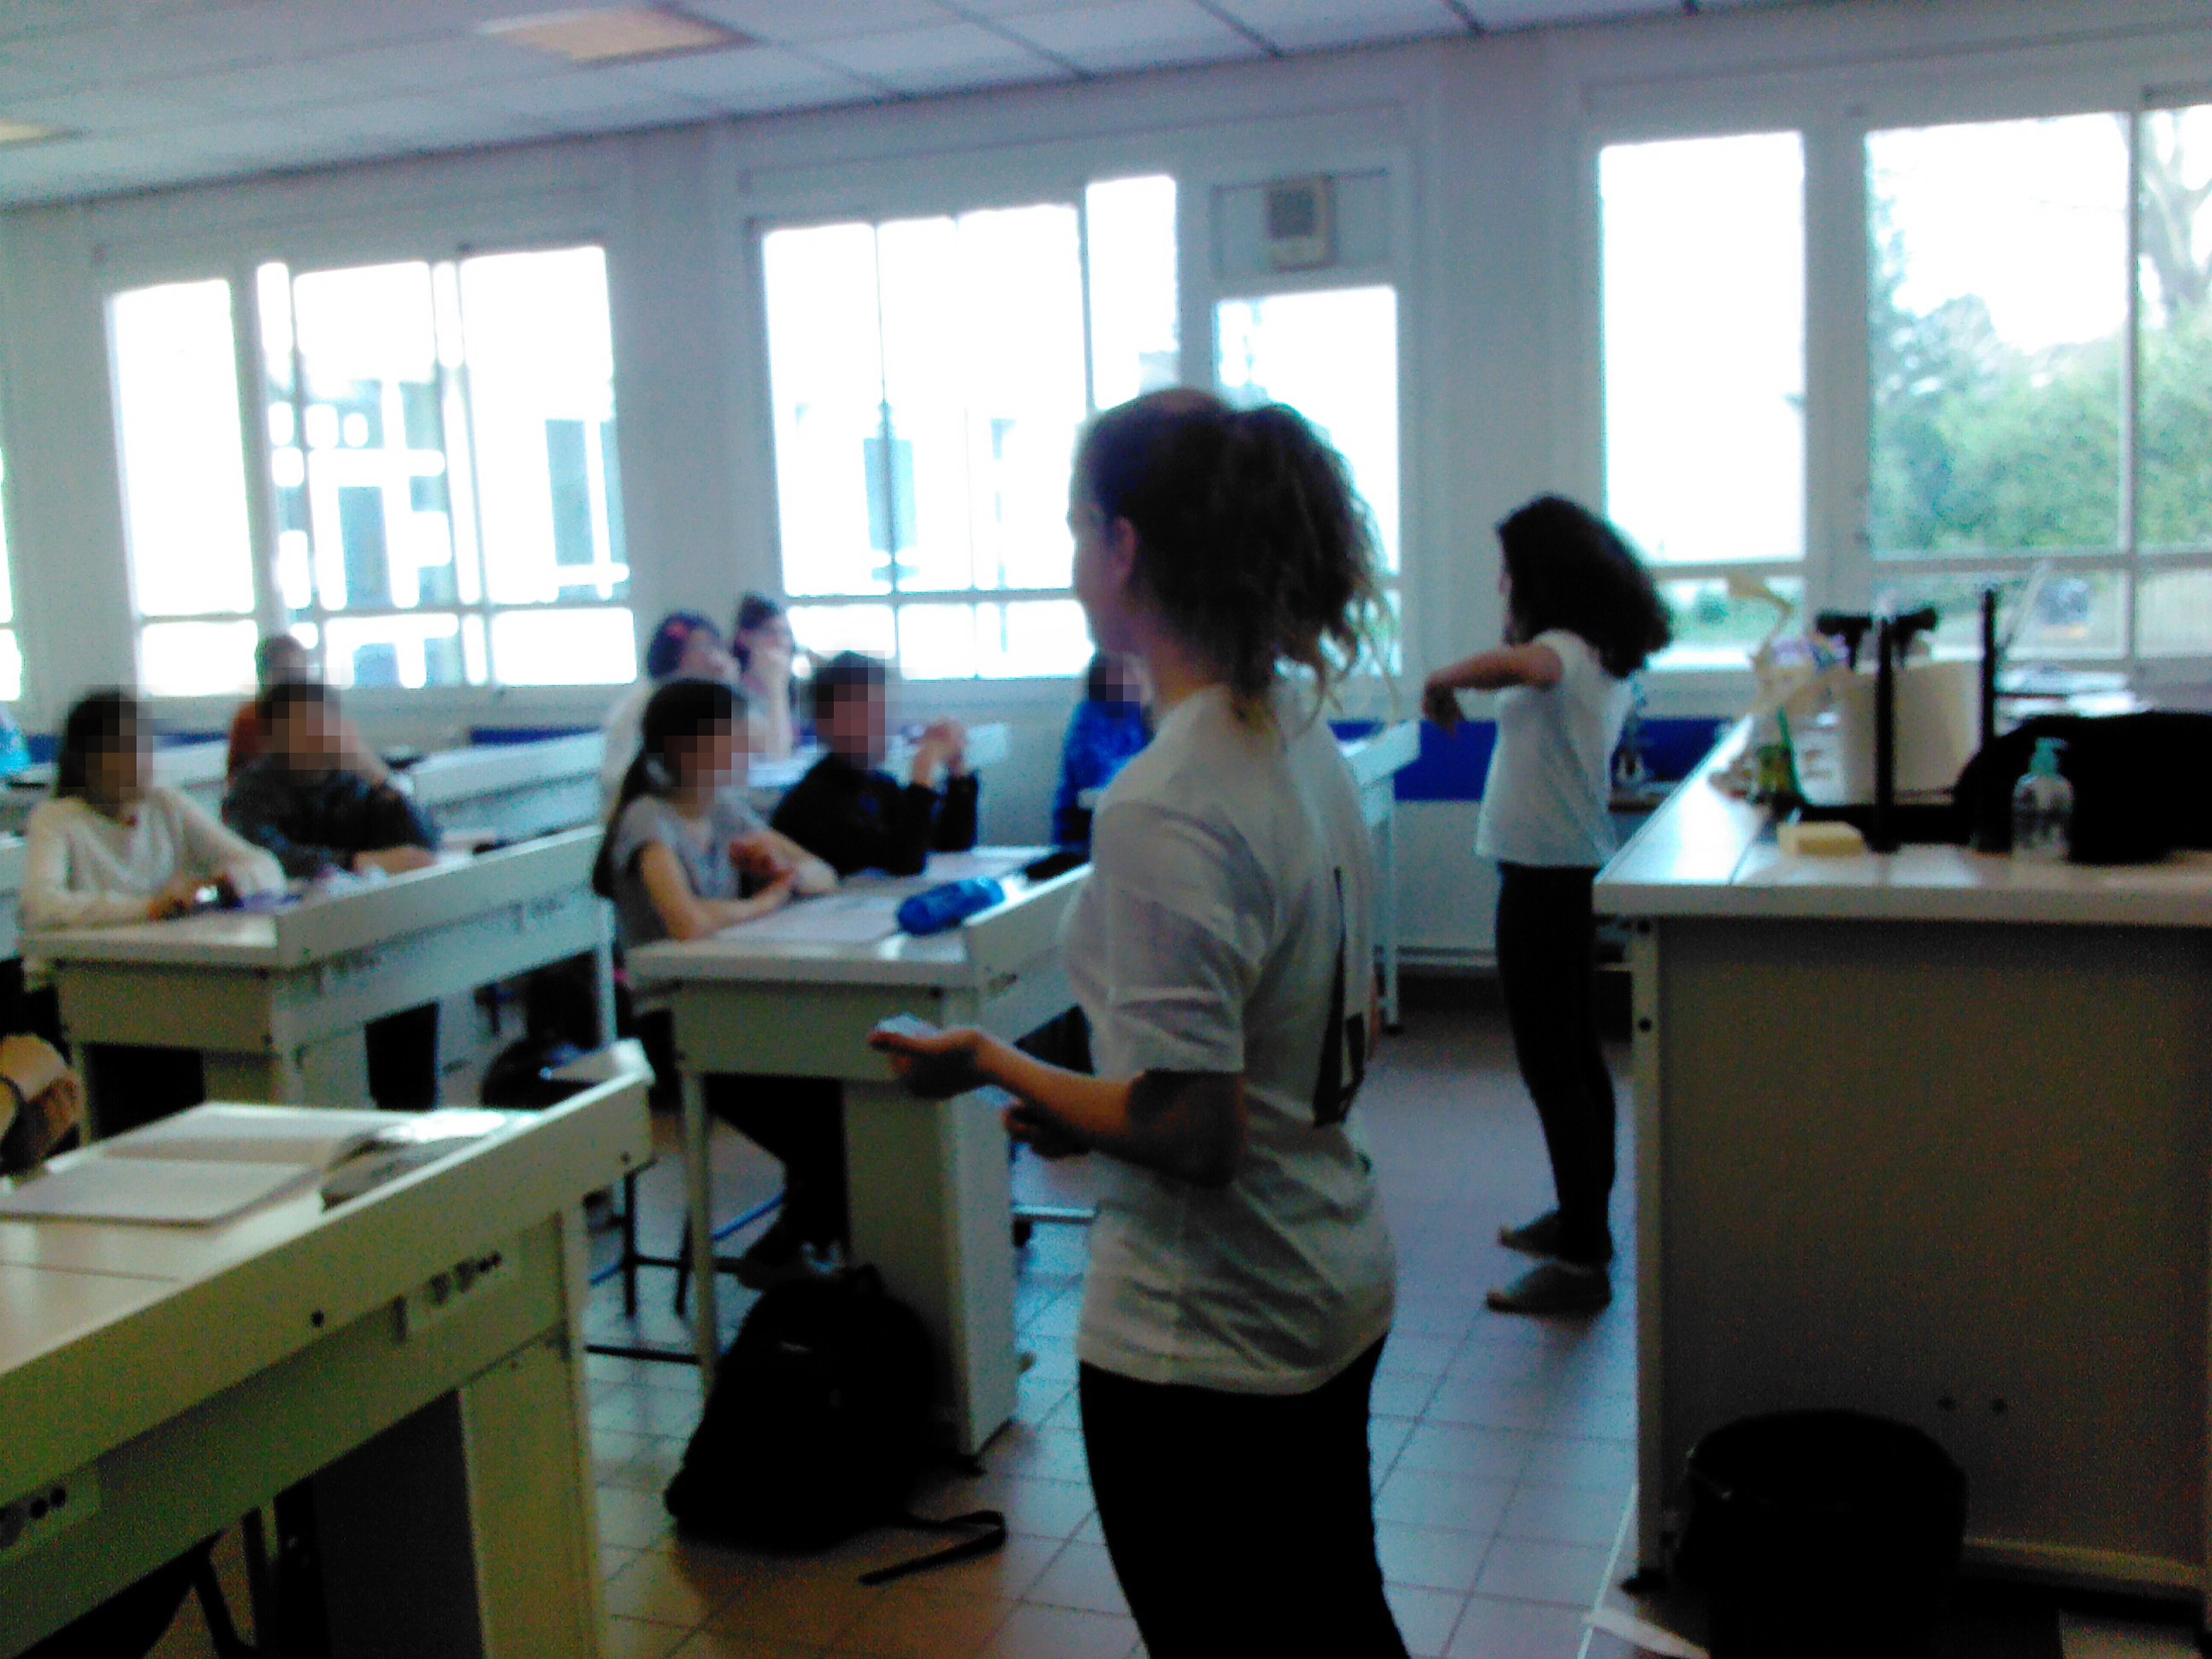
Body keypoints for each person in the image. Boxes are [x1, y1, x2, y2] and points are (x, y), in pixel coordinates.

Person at [871, 391, 1405, 1659]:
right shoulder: (1299, 737)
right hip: (1326, 1271)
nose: (1070, 563)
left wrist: (995, 1064)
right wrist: (1096, 1107)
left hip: (1207, 1337)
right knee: (1336, 1622)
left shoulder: (1165, 798)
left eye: (1076, 529)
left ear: (1123, 547)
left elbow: (1196, 1133)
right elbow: (1325, 1027)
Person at [1421, 494, 1672, 1318]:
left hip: (1545, 882)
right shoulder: (1594, 649)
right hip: (1558, 874)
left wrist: (1445, 677)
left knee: (1553, 1069)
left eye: (1510, 572)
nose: (1502, 584)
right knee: (1575, 1061)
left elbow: (1529, 668)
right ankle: (1581, 1220)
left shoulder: (1562, 650)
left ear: (1543, 576)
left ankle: (1581, 1260)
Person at [596, 678, 843, 1287]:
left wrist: (781, 868)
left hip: (740, 1008)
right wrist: (768, 900)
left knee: (846, 1103)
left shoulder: (725, 810)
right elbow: (687, 923)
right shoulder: (648, 819)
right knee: (829, 1134)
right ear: (689, 748)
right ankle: (795, 1252)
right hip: (679, 1024)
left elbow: (823, 875)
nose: (747, 747)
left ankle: (801, 1245)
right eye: (734, 735)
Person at [24, 690, 284, 1127]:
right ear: (87, 761)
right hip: (75, 988)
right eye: (123, 748)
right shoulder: (57, 819)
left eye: (144, 746)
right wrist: (147, 908)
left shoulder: (167, 804)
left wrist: (225, 884)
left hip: (162, 975)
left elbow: (264, 866)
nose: (140, 761)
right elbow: (42, 907)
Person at [223, 680, 445, 1109]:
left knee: (408, 988)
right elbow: (266, 858)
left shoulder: (353, 782)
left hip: (370, 931)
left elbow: (424, 843)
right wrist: (359, 861)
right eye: (304, 725)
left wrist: (379, 776)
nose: (320, 735)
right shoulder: (253, 791)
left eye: (327, 722)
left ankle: (410, 1110)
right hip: (287, 941)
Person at [771, 653, 976, 877]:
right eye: (870, 714)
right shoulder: (812, 803)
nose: (884, 725)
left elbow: (949, 843)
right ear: (826, 723)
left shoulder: (880, 786)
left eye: (887, 711)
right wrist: (924, 768)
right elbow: (905, 860)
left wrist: (957, 773)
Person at [600, 612, 736, 807]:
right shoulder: (648, 703)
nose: (712, 659)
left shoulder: (698, 700)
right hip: (644, 804)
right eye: (699, 648)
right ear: (674, 655)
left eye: (715, 647)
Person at [1051, 651, 1150, 848]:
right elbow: (1093, 774)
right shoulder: (1089, 718)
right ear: (1103, 678)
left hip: (1129, 817)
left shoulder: (1138, 717)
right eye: (1125, 671)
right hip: (1084, 830)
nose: (1136, 678)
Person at [731, 591, 806, 763]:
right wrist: (776, 686)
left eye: (785, 633)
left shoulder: (801, 689)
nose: (780, 641)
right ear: (745, 638)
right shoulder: (734, 694)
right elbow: (776, 755)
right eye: (769, 632)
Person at [227, 633, 312, 778]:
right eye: (287, 672)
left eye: (301, 672)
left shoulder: (319, 715)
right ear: (263, 675)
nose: (296, 680)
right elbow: (236, 777)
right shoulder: (249, 719)